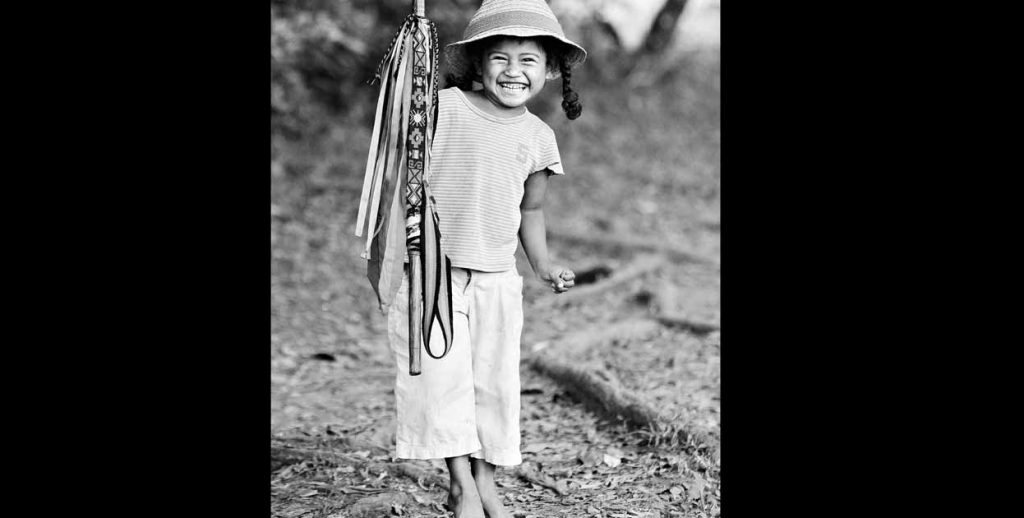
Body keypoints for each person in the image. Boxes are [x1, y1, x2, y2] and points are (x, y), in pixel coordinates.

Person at [386, 1, 587, 516]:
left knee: (493, 383)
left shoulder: (538, 137)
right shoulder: (443, 108)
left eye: (528, 60)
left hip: (497, 277)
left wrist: (542, 266)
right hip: (434, 273)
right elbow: (402, 146)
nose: (513, 71)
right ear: (478, 63)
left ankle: (486, 481)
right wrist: (411, 81)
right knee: (440, 379)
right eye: (500, 58)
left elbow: (531, 210)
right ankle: (461, 484)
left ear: (551, 70)